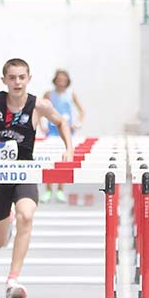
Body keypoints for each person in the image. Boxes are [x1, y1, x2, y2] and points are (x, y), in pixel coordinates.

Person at [0, 58, 74, 298]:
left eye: (21, 77)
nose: (17, 82)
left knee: (26, 216)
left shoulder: (39, 106)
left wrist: (69, 149)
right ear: (4, 80)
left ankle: (13, 279)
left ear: (29, 79)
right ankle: (7, 220)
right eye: (12, 78)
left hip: (25, 174)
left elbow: (62, 123)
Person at [41, 69, 86, 203]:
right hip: (52, 130)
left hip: (66, 130)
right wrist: (41, 124)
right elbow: (39, 109)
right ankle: (48, 189)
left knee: (64, 159)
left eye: (64, 79)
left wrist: (78, 123)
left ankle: (60, 189)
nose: (61, 82)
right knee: (49, 159)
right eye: (59, 79)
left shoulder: (71, 94)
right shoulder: (49, 94)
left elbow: (81, 111)